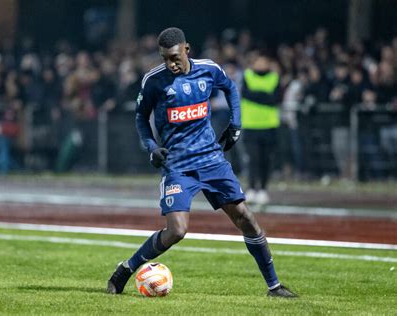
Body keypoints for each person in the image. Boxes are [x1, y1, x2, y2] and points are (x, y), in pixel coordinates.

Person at [106, 27, 296, 298]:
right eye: (164, 58)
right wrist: (152, 147)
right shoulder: (153, 81)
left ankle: (274, 287)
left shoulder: (208, 69)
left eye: (174, 57)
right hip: (178, 164)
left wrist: (236, 125)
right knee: (177, 231)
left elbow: (230, 88)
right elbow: (140, 117)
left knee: (247, 219)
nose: (170, 63)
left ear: (187, 49)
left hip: (211, 159)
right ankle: (126, 268)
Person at [241, 53, 281, 205]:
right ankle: (251, 188)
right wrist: (265, 96)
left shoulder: (274, 78)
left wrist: (256, 95)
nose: (261, 64)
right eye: (259, 61)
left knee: (266, 160)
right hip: (251, 125)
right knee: (253, 159)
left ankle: (263, 189)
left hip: (269, 125)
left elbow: (276, 99)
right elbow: (246, 94)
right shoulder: (248, 75)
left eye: (264, 61)